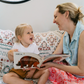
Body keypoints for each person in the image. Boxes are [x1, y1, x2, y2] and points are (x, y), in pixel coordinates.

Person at [37, 2, 84, 84]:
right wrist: (38, 62)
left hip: (81, 76)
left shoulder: (82, 34)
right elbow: (55, 55)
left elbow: (81, 71)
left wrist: (53, 65)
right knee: (46, 68)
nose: (53, 21)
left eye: (56, 17)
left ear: (66, 14)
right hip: (71, 73)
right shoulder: (65, 34)